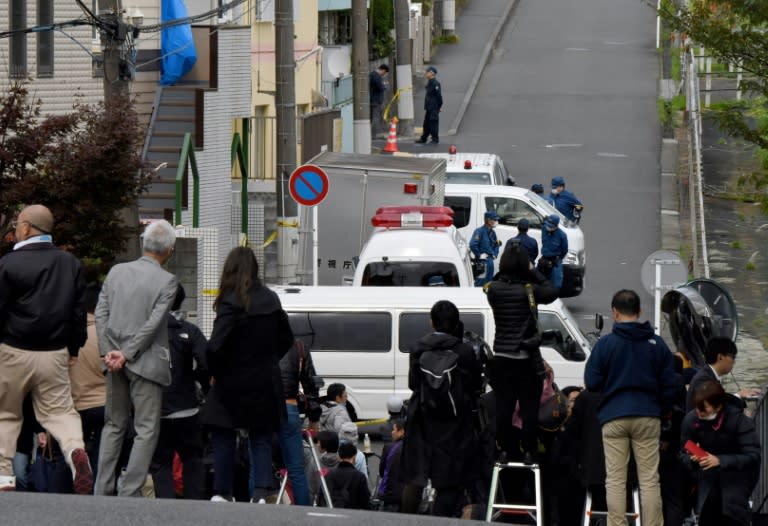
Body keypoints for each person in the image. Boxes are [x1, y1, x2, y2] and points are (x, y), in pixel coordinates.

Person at [0, 204, 92, 494]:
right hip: (54, 352)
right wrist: (74, 348)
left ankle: (3, 476)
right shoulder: (71, 264)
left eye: (17, 224)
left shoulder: (8, 264)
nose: (15, 229)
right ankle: (76, 452)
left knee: (6, 414)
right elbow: (78, 313)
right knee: (61, 413)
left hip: (13, 350)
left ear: (26, 227)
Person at [199, 246, 294, 503]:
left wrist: (217, 372)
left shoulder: (230, 302)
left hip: (232, 380)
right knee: (261, 435)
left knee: (223, 432)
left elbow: (214, 346)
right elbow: (287, 338)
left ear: (229, 270)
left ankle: (223, 491)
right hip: (264, 379)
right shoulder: (271, 300)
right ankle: (262, 492)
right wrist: (267, 359)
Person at [94, 219, 179, 497]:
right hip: (145, 363)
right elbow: (153, 323)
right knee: (145, 429)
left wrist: (110, 352)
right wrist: (128, 354)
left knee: (113, 424)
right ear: (169, 249)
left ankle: (102, 487)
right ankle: (129, 491)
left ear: (144, 243)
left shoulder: (117, 271)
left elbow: (101, 312)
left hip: (112, 362)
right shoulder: (167, 281)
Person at [584, 289, 678, 526]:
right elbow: (671, 385)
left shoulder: (606, 345)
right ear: (640, 311)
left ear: (615, 313)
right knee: (649, 480)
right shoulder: (657, 345)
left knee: (615, 479)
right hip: (648, 416)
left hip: (614, 417)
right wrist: (662, 410)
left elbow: (592, 382)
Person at [400, 300, 482, 517]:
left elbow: (413, 383)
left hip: (423, 419)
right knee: (449, 480)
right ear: (456, 323)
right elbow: (474, 386)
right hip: (455, 422)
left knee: (415, 477)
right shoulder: (464, 351)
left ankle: (404, 520)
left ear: (431, 323)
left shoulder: (418, 347)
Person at [486, 242, 558, 465]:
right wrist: (532, 270)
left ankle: (505, 451)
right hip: (526, 359)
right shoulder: (530, 290)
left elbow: (498, 278)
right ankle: (529, 451)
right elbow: (552, 291)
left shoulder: (493, 290)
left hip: (502, 358)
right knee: (529, 409)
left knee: (504, 408)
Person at [149, 284, 209, 500]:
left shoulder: (147, 332)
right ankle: (194, 509)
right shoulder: (190, 330)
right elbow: (206, 364)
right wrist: (194, 381)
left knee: (160, 464)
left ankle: (166, 511)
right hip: (187, 409)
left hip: (155, 409)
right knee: (192, 459)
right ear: (181, 301)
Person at [680, 380, 760, 526]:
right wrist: (692, 459)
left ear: (718, 407)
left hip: (736, 478)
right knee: (707, 515)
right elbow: (682, 453)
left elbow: (753, 455)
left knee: (733, 515)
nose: (699, 413)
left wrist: (720, 460)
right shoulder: (691, 420)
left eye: (704, 409)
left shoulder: (739, 421)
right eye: (696, 408)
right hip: (707, 480)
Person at [269, 338, 321, 505]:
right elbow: (310, 384)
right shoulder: (298, 346)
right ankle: (303, 515)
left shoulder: (255, 338)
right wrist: (314, 418)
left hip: (262, 409)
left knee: (257, 468)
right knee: (296, 469)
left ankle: (257, 513)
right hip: (289, 407)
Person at [68, 283, 107, 481]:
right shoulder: (107, 333)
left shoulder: (69, 334)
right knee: (104, 455)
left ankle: (61, 495)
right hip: (105, 404)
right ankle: (99, 492)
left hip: (75, 405)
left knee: (69, 453)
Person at [685, 337, 760, 412]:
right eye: (733, 357)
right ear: (720, 357)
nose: (734, 362)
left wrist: (739, 395)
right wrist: (738, 395)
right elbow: (717, 408)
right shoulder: (703, 379)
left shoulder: (708, 374)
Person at [324, 443, 371, 509]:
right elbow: (365, 501)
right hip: (353, 514)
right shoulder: (360, 476)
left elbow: (322, 497)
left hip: (333, 512)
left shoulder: (329, 474)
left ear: (339, 457)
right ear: (354, 457)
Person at [377, 418, 405, 512]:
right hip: (409, 497)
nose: (392, 432)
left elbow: (382, 472)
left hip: (391, 496)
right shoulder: (416, 448)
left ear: (401, 431)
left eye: (394, 430)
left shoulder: (390, 448)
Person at [469, 210, 501, 287]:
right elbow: (472, 244)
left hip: (490, 262)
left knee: (489, 284)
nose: (496, 221)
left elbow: (497, 244)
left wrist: (495, 254)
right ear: (488, 220)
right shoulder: (479, 231)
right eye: (495, 220)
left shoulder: (492, 233)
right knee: (480, 283)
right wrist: (479, 255)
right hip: (482, 263)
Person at [539, 214, 568, 291]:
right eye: (548, 225)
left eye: (551, 226)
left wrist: (558, 258)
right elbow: (544, 222)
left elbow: (564, 250)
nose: (548, 228)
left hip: (555, 261)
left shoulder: (562, 235)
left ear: (556, 226)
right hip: (544, 259)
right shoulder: (544, 228)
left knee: (556, 284)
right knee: (535, 281)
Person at [415, 66, 443, 144]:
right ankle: (423, 138)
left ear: (431, 73)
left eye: (427, 72)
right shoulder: (430, 82)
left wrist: (439, 106)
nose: (426, 73)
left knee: (433, 123)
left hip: (433, 107)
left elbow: (439, 97)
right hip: (429, 107)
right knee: (426, 123)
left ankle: (435, 139)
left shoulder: (435, 83)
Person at [369, 64, 390, 139]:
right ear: (383, 70)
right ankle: (374, 135)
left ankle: (372, 134)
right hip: (376, 100)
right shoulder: (376, 76)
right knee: (376, 118)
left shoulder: (372, 74)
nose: (384, 75)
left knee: (372, 118)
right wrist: (384, 85)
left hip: (372, 99)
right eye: (384, 73)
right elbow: (381, 87)